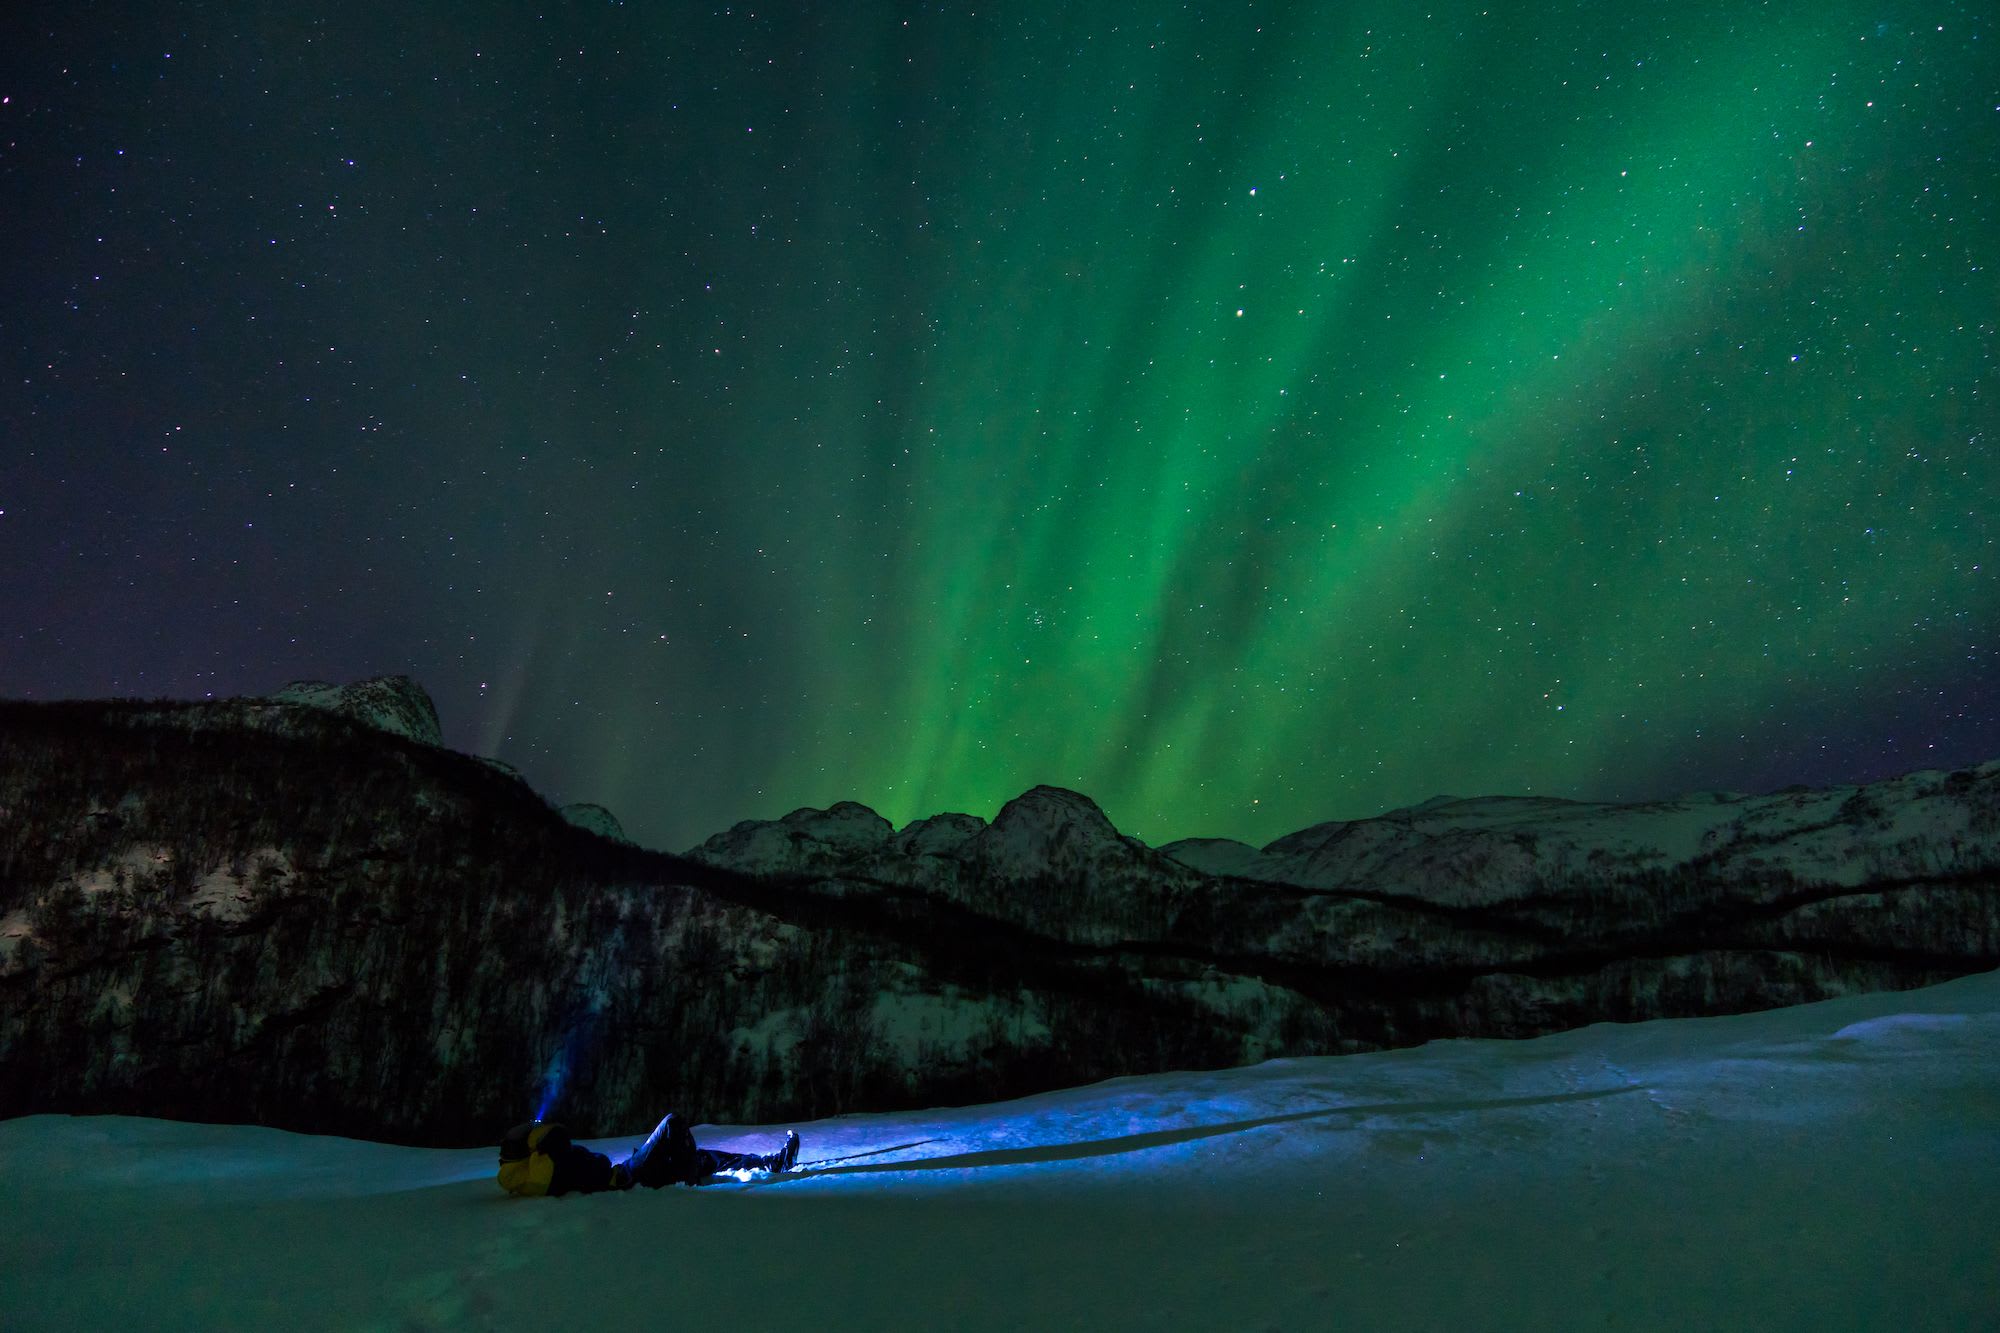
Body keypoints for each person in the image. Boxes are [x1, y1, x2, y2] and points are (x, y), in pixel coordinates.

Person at [498, 1113, 800, 1197]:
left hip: (622, 1172)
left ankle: (772, 1162)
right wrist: (542, 1138)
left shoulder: (532, 1173)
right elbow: (558, 1138)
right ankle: (688, 1176)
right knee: (672, 1124)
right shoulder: (543, 1167)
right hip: (626, 1178)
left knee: (704, 1155)